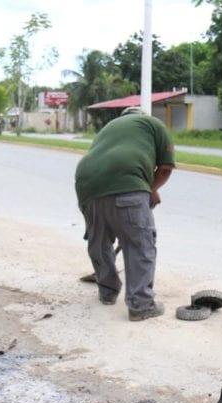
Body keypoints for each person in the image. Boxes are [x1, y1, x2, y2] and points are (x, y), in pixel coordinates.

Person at [75, 106, 175, 321]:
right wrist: (151, 189)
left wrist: (148, 190)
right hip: (128, 182)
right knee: (139, 243)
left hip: (86, 185)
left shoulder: (108, 128)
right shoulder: (153, 124)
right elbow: (165, 168)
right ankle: (141, 305)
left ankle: (107, 291)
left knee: (99, 240)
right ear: (142, 116)